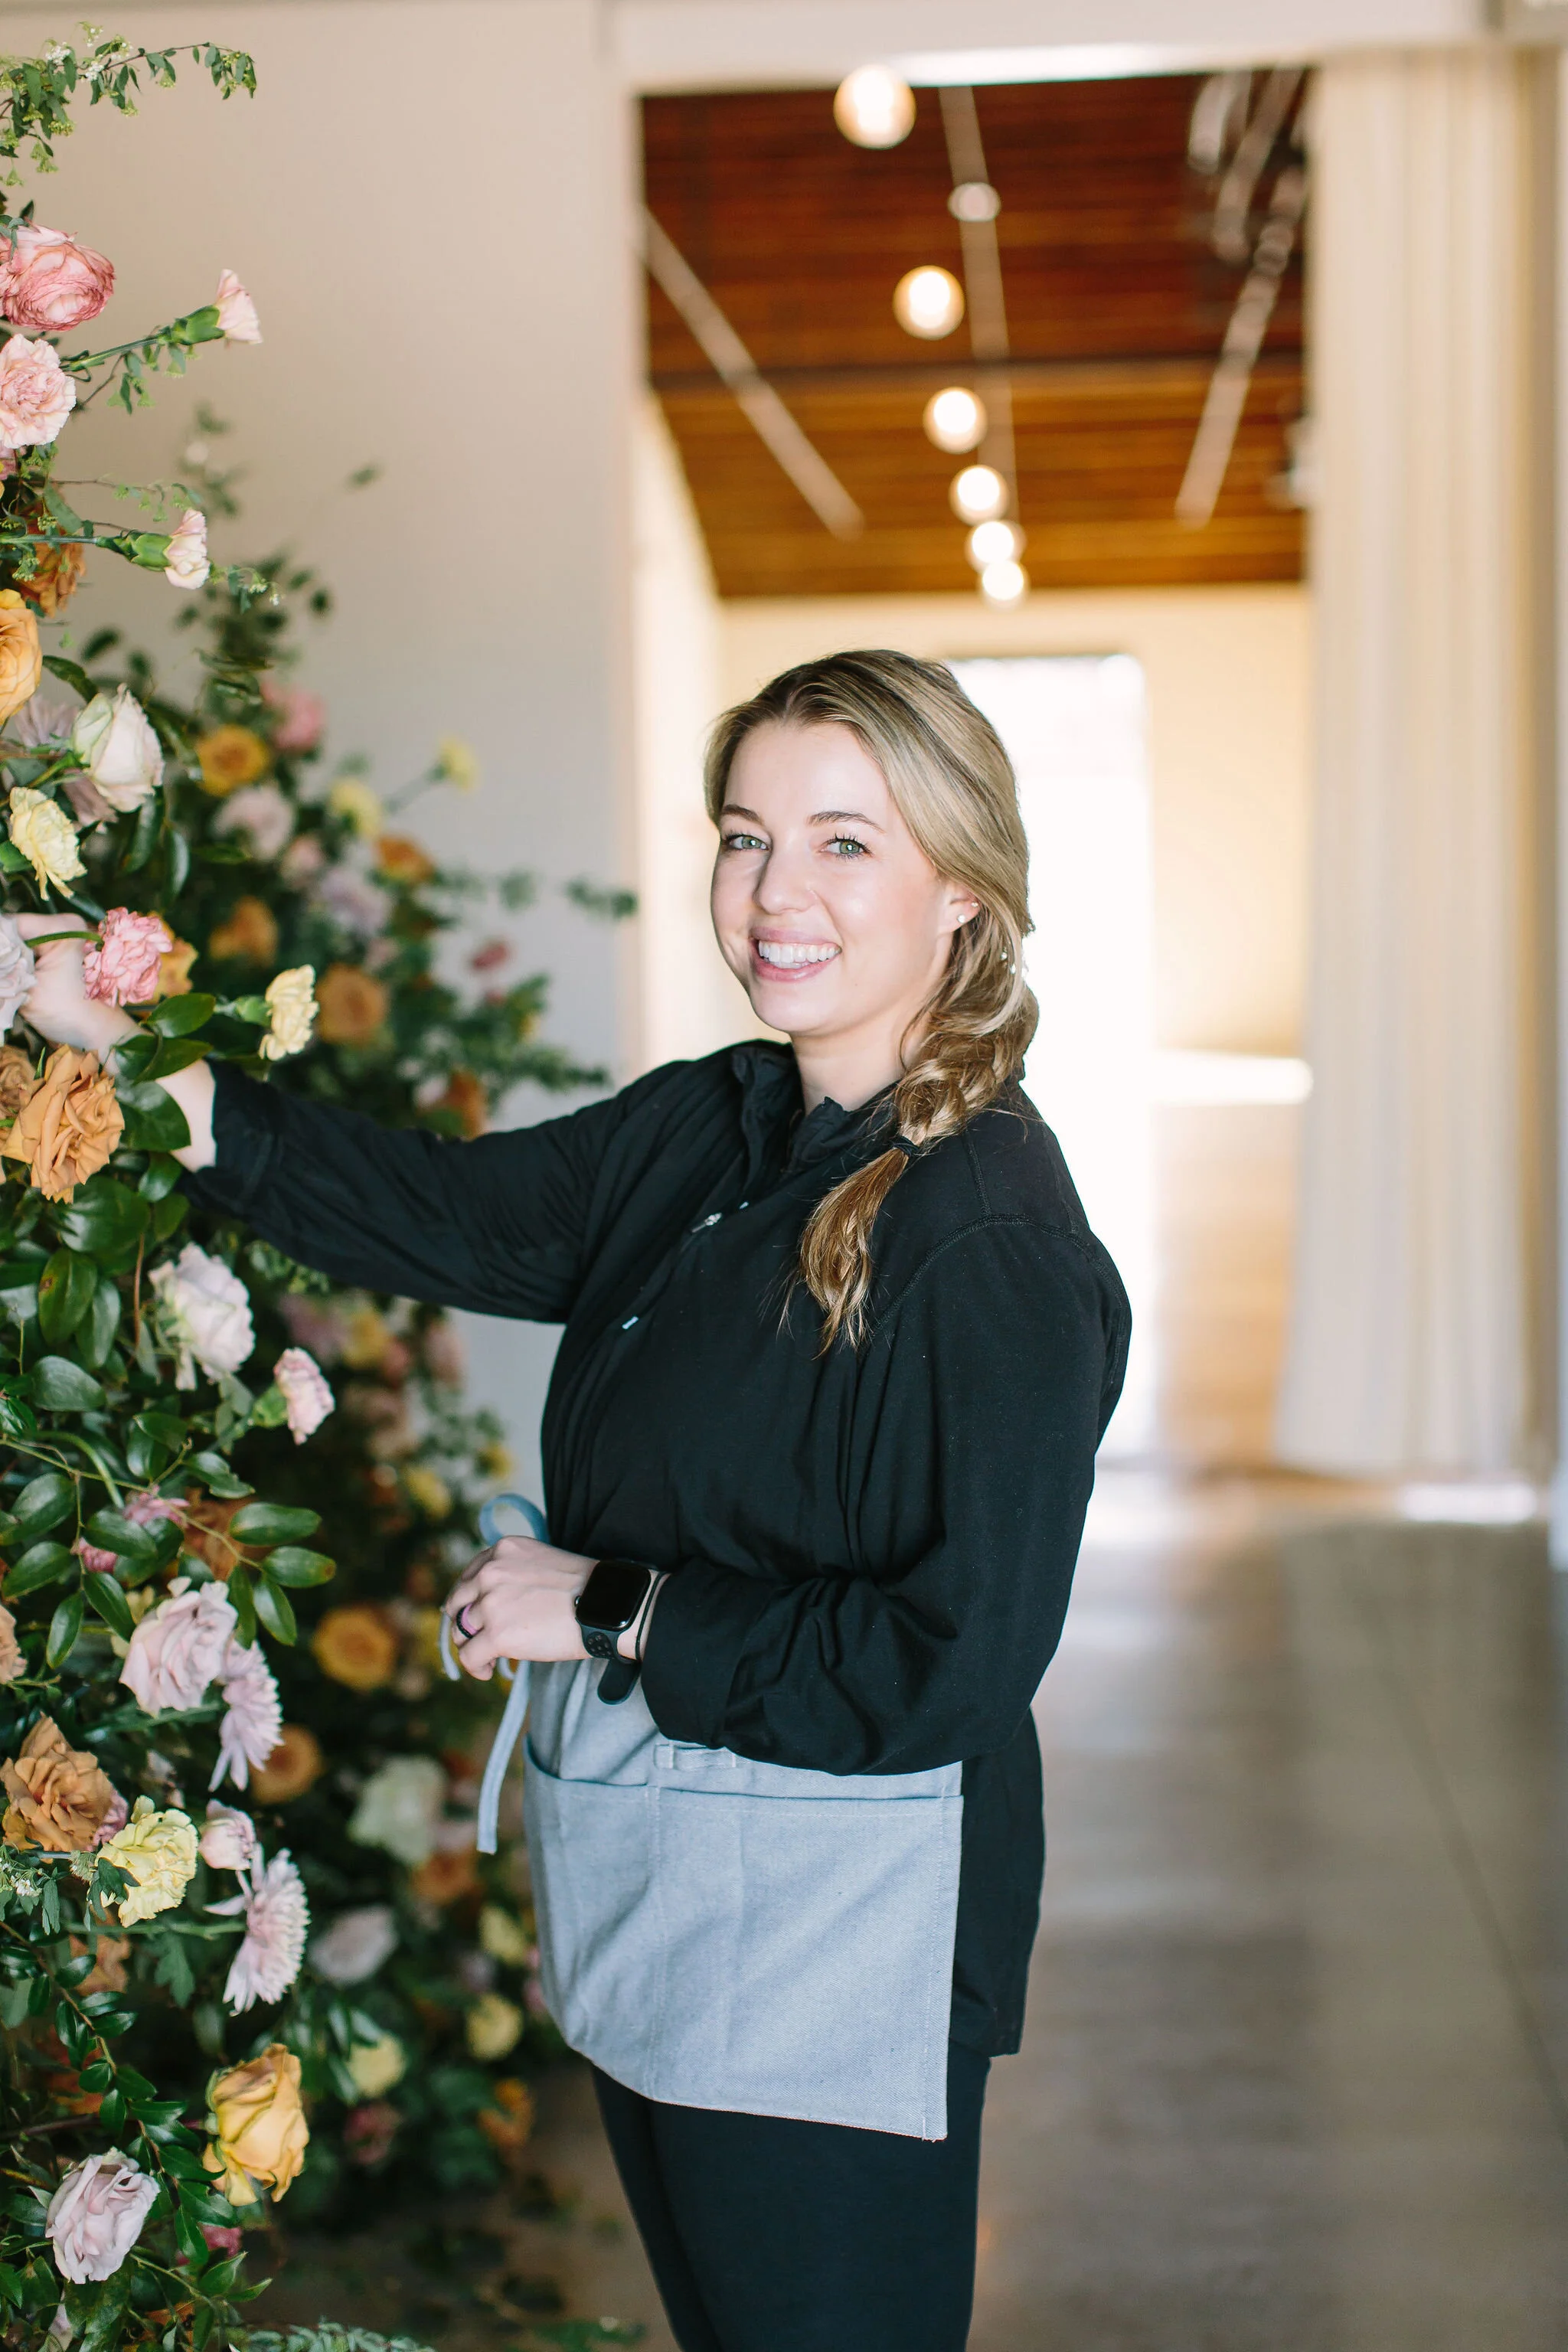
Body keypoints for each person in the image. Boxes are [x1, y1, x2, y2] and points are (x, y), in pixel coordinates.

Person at [21, 649, 1129, 2352]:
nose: (773, 896)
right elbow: (445, 1216)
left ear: (962, 899)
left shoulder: (992, 1246)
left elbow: (946, 1668)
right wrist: (132, 1058)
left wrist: (609, 1605)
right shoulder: (724, 1124)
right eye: (745, 836)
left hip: (839, 1939)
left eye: (844, 845)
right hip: (678, 1876)